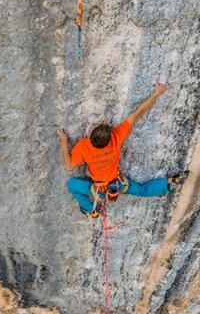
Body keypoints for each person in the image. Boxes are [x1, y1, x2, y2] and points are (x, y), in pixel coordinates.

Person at [59, 80, 187, 218]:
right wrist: (156, 93)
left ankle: (91, 210)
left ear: (92, 136)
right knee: (142, 190)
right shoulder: (115, 137)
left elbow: (69, 166)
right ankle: (168, 182)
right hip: (118, 185)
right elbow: (137, 114)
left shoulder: (84, 146)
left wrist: (64, 142)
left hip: (100, 191)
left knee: (72, 185)